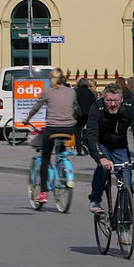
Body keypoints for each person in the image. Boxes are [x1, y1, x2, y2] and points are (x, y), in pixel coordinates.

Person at [23, 67, 80, 204]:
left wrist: (27, 119)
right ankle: (64, 170)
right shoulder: (71, 92)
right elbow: (77, 109)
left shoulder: (48, 92)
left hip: (53, 128)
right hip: (69, 129)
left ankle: (43, 193)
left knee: (45, 158)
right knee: (61, 147)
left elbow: (36, 107)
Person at [87, 82, 134, 214]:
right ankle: (95, 199)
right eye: (108, 100)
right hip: (102, 144)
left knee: (127, 179)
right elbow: (91, 135)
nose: (112, 104)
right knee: (103, 167)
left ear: (121, 100)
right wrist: (101, 157)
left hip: (120, 146)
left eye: (115, 100)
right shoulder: (97, 108)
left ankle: (125, 219)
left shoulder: (130, 108)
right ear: (103, 99)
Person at [75, 77, 96, 156]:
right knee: (87, 131)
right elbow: (94, 104)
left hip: (78, 115)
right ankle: (85, 143)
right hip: (89, 115)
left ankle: (79, 150)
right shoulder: (91, 93)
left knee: (77, 132)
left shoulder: (76, 92)